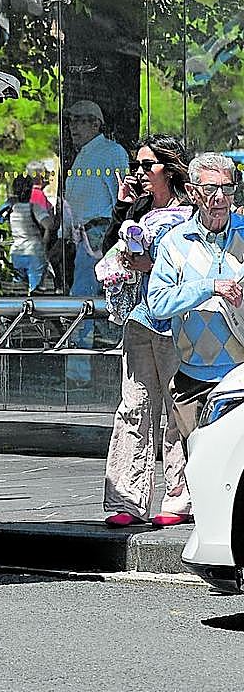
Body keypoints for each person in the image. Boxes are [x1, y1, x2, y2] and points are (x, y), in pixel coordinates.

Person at [99, 136, 194, 527]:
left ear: (168, 169)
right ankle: (127, 499)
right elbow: (108, 248)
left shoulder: (190, 212)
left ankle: (179, 497)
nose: (139, 172)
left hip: (177, 321)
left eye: (146, 165)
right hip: (140, 317)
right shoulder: (138, 208)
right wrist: (123, 206)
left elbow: (193, 263)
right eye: (135, 166)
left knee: (176, 408)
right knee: (133, 405)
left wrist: (151, 265)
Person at [148, 152, 244, 527]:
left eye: (227, 189)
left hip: (239, 376)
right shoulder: (175, 242)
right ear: (192, 192)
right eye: (210, 189)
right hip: (193, 376)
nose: (219, 198)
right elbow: (157, 302)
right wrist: (209, 287)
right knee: (202, 464)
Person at [63, 100, 129, 386]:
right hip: (82, 238)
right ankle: (81, 372)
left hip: (101, 236)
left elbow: (123, 201)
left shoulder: (111, 152)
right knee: (84, 303)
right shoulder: (83, 155)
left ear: (96, 124)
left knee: (89, 304)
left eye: (80, 120)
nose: (73, 127)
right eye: (71, 121)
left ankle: (85, 374)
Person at [5, 174, 53, 293]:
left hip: (16, 252)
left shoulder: (11, 208)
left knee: (19, 289)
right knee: (35, 290)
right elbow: (48, 225)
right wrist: (45, 240)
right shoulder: (34, 207)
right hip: (34, 252)